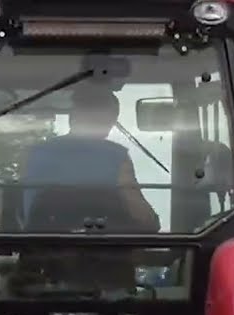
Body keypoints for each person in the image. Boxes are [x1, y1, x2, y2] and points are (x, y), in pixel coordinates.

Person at [19, 86, 160, 232]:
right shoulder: (116, 156)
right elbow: (142, 216)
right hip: (105, 251)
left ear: (73, 116)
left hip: (41, 249)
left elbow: (18, 210)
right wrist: (154, 220)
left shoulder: (34, 153)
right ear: (108, 120)